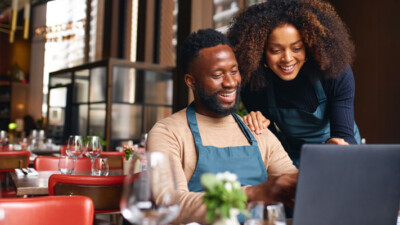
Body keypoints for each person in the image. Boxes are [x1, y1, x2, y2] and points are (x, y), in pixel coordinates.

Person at [147, 29, 297, 224]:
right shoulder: (168, 133)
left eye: (234, 71)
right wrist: (252, 193)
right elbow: (170, 203)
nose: (231, 82)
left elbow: (292, 184)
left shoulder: (256, 129)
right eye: (218, 75)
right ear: (191, 82)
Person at [227, 0, 361, 166]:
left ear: (309, 47)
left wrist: (336, 147)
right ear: (260, 52)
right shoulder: (254, 84)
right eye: (276, 50)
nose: (287, 59)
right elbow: (271, 146)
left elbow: (345, 135)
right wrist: (256, 127)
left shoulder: (335, 74)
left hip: (339, 152)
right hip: (293, 156)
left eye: (296, 48)